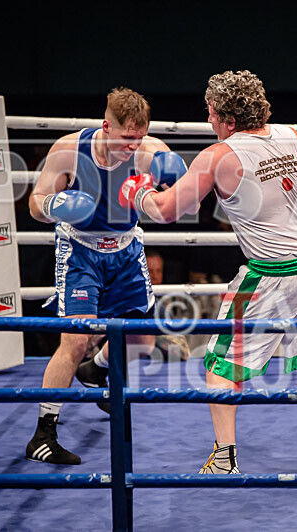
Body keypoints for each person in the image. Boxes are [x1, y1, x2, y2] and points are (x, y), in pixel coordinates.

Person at [120, 70, 297, 473]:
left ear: (229, 119)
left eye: (212, 114)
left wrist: (136, 191)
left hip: (273, 273)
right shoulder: (293, 136)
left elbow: (168, 210)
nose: (209, 121)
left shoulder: (219, 155)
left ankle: (224, 460)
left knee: (220, 363)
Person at [24, 87, 187, 464]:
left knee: (143, 339)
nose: (134, 146)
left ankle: (96, 372)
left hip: (126, 249)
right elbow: (35, 203)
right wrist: (56, 205)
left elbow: (177, 197)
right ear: (106, 126)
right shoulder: (69, 151)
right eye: (127, 137)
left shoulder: (149, 152)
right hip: (81, 250)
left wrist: (173, 181)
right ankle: (43, 433)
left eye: (140, 137)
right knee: (77, 339)